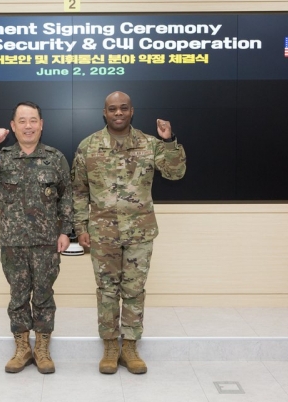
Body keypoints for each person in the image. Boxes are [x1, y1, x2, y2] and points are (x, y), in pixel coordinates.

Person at [71, 91, 186, 374]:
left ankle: (131, 346)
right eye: (113, 109)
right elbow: (78, 191)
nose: (118, 113)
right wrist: (80, 227)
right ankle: (111, 345)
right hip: (102, 233)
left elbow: (175, 172)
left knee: (134, 290)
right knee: (107, 290)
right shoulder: (88, 146)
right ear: (105, 112)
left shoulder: (150, 144)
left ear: (132, 111)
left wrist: (169, 140)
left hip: (139, 232)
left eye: (124, 108)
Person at [0, 101, 73, 374]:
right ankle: (21, 348)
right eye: (22, 121)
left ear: (41, 124)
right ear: (13, 126)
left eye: (33, 120)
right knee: (18, 296)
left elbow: (68, 196)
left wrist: (66, 231)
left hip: (46, 242)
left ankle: (42, 349)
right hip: (13, 242)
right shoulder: (2, 156)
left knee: (43, 295)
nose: (28, 126)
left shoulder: (55, 158)